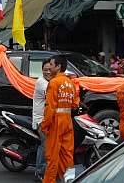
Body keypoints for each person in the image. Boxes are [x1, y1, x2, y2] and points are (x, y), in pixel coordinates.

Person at [41, 55, 80, 183]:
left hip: (56, 122)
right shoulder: (70, 83)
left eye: (51, 65)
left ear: (58, 67)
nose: (49, 68)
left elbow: (50, 107)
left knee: (52, 157)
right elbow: (75, 104)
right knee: (67, 155)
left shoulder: (54, 82)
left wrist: (45, 125)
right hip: (67, 121)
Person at [32, 59, 52, 181]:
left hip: (49, 119)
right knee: (45, 145)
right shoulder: (41, 82)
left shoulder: (52, 82)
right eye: (45, 70)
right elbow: (53, 96)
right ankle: (39, 172)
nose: (48, 72)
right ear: (42, 70)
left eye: (50, 69)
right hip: (41, 121)